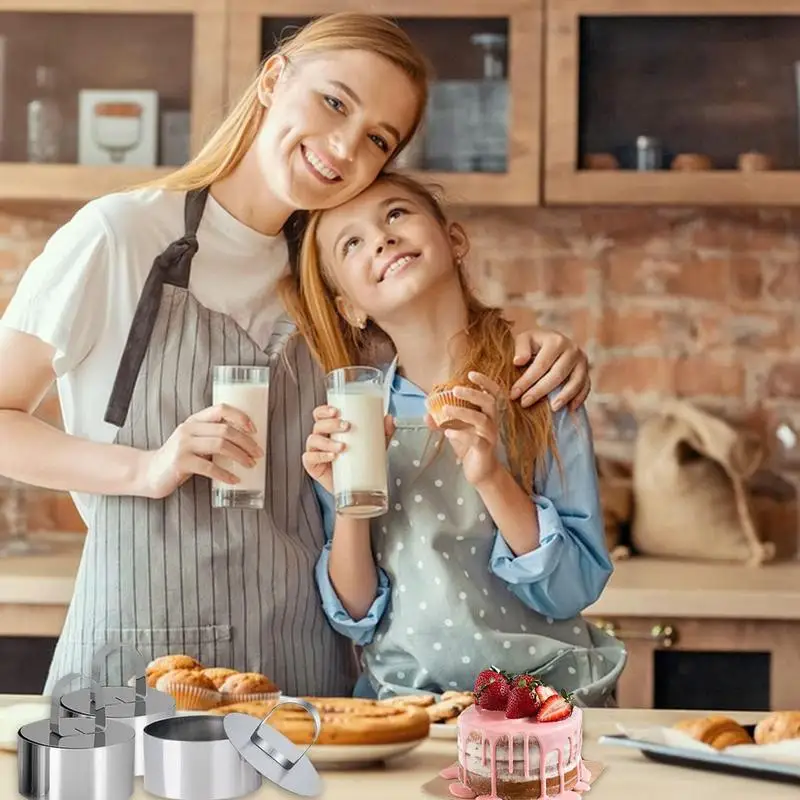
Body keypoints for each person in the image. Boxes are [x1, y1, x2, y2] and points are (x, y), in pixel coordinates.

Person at [0, 13, 592, 698]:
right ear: (275, 79)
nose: (343, 147)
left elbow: (435, 353)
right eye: (334, 101)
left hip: (306, 673)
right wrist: (147, 466)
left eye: (377, 139)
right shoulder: (123, 235)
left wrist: (535, 349)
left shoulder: (332, 277)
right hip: (141, 657)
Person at [291, 172, 626, 702]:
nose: (381, 238)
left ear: (454, 240)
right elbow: (355, 617)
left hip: (548, 705)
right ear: (349, 308)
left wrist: (491, 476)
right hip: (411, 707)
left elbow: (571, 591)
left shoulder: (538, 388)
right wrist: (350, 504)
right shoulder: (353, 419)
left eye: (396, 213)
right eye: (351, 242)